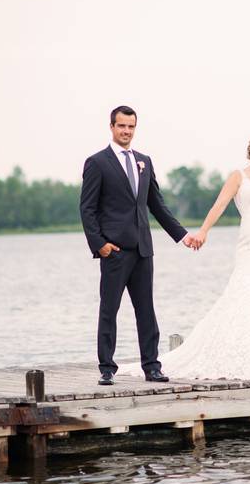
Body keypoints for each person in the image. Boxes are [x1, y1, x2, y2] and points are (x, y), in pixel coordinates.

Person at [121, 131, 250, 380]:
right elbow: (219, 205)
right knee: (245, 293)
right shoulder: (238, 177)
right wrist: (203, 231)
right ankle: (241, 354)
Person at [80, 105, 200, 386]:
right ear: (111, 127)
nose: (126, 131)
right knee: (109, 310)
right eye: (122, 126)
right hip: (115, 251)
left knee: (146, 309)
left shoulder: (144, 161)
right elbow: (87, 209)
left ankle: (152, 366)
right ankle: (107, 368)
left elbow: (156, 204)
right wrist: (100, 245)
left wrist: (182, 236)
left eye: (131, 127)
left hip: (143, 250)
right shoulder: (97, 162)